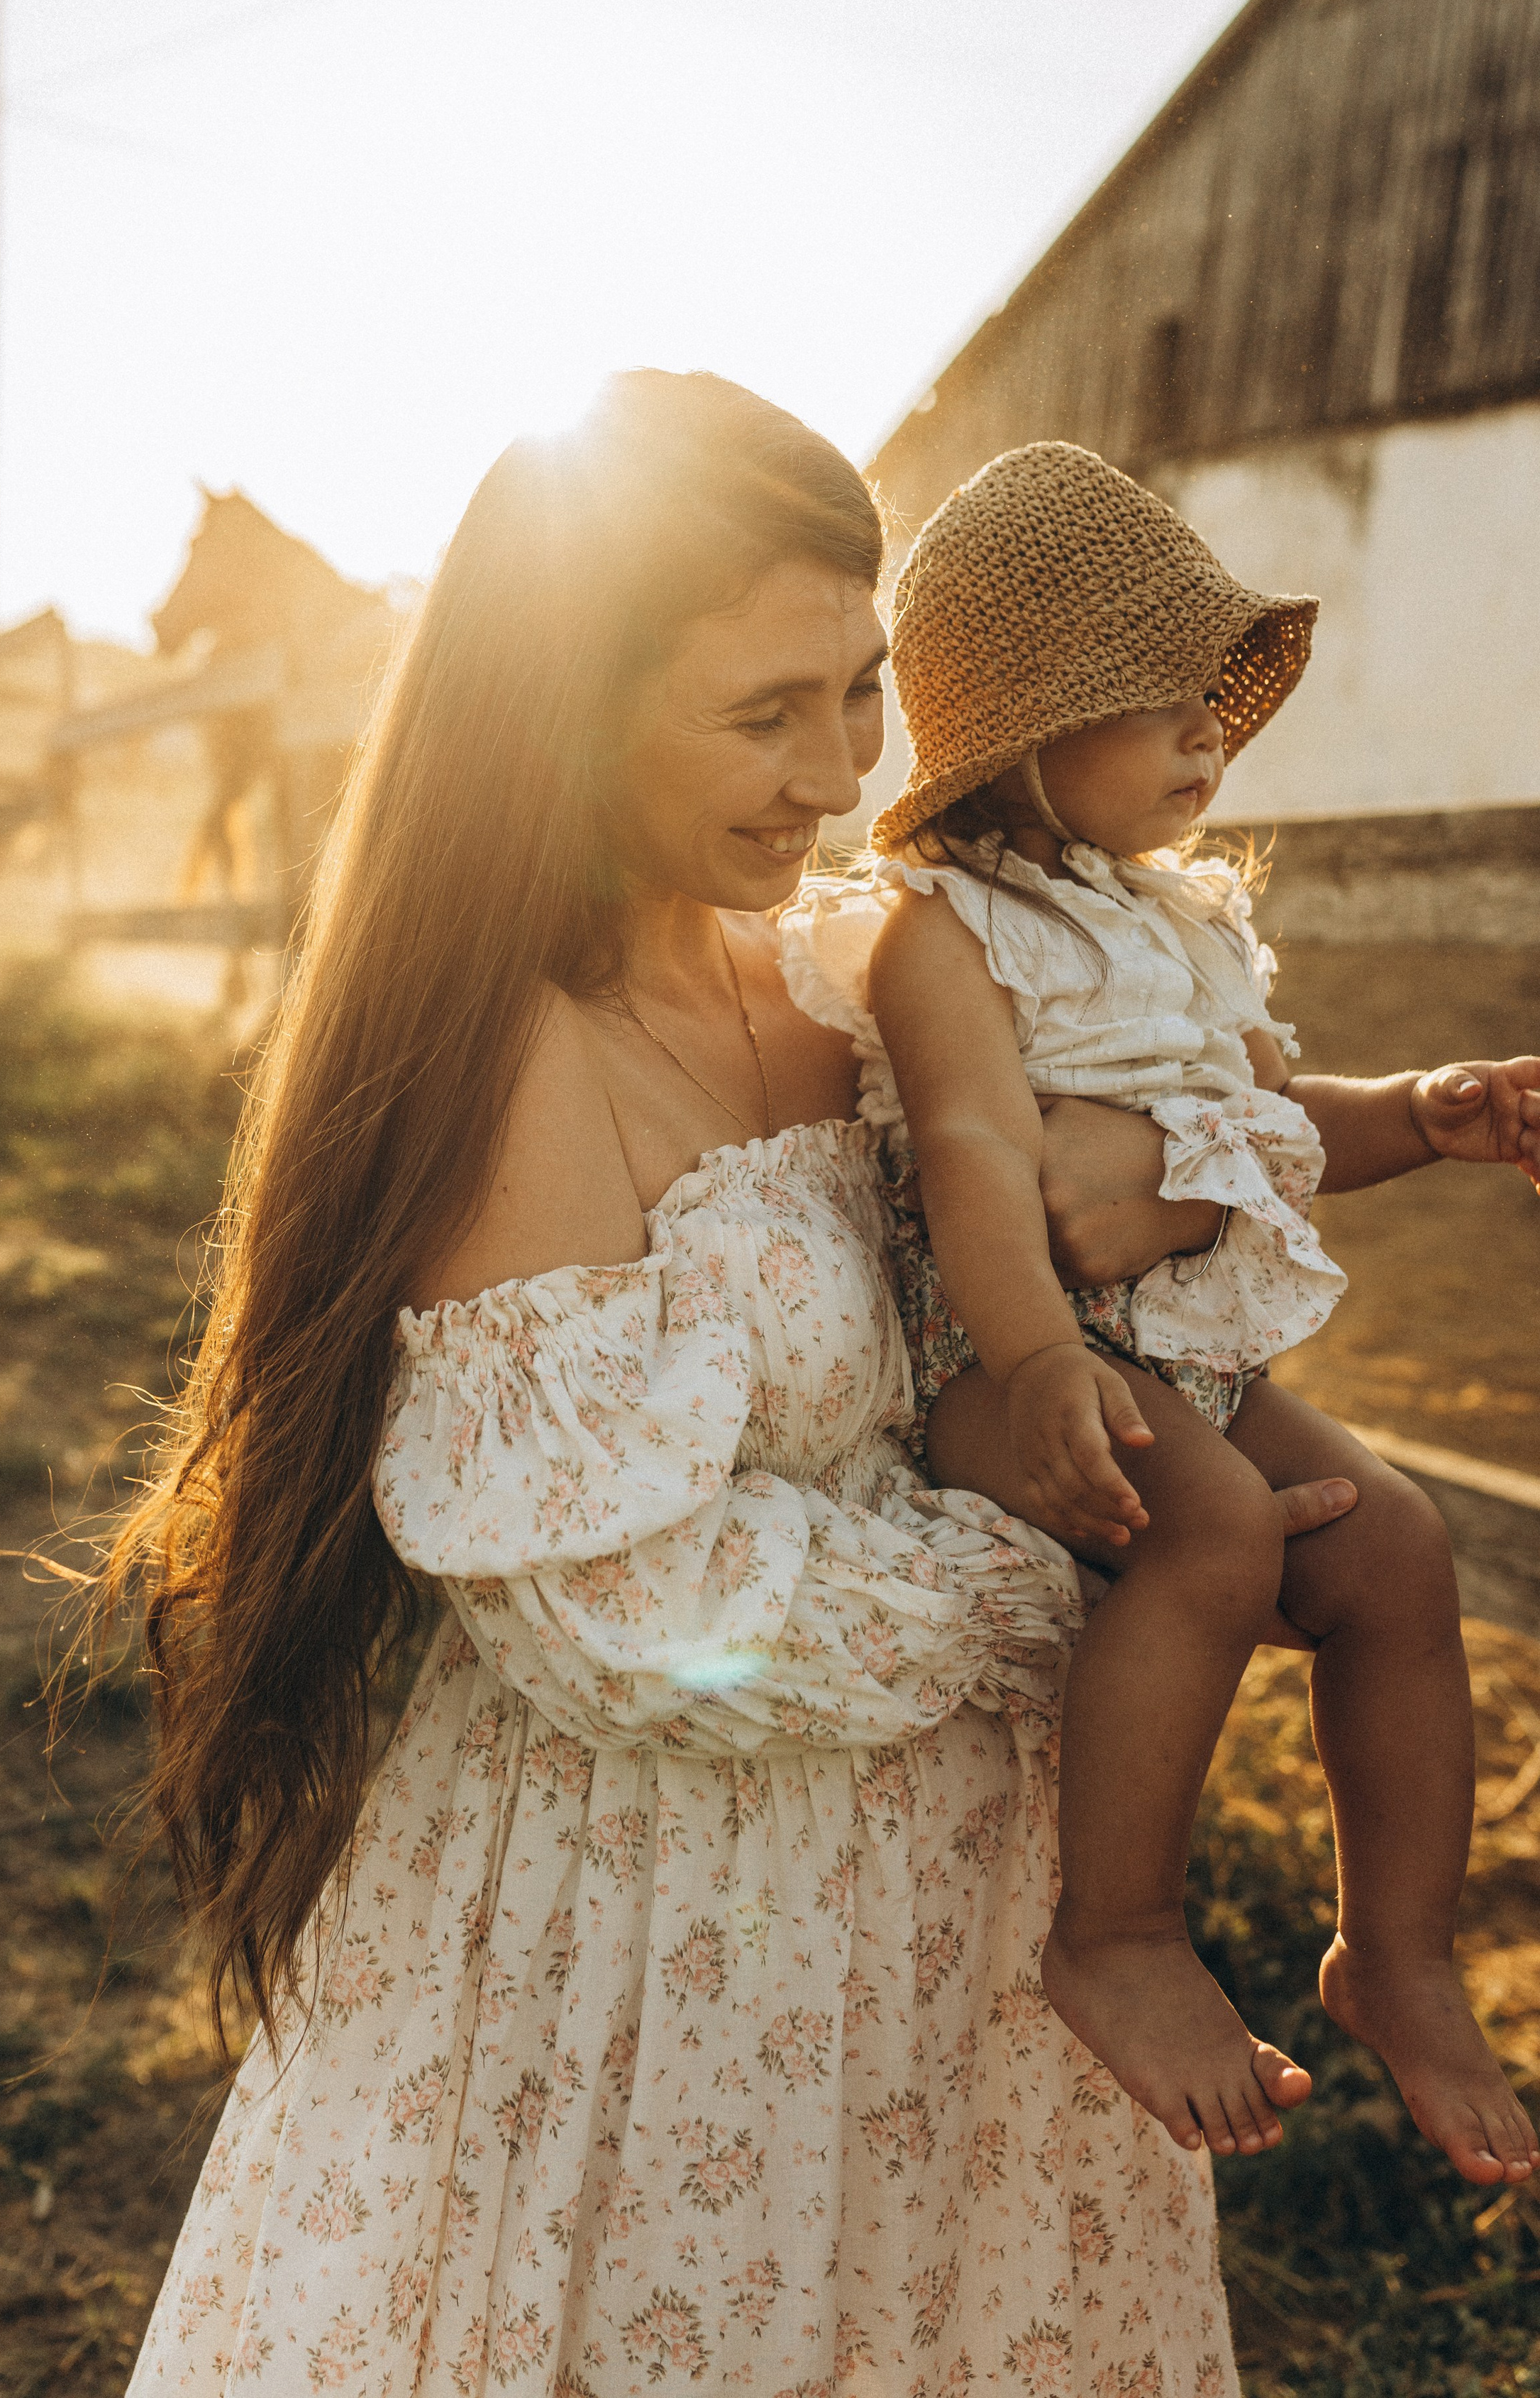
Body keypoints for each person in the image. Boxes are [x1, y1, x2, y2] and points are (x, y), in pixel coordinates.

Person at [117, 377, 1358, 2397]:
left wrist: (1170, 1192)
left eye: (859, 691)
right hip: (670, 1957)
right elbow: (630, 1616)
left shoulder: (849, 966)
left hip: (968, 1938)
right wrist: (1107, 1580)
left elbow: (1125, 1188)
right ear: (568, 713)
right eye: (760, 714)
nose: (839, 768)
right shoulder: (526, 1063)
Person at [782, 441, 1540, 2192]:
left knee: (1399, 1550)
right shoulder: (938, 931)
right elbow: (976, 1150)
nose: (1211, 738)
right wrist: (1042, 1353)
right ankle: (1114, 1925)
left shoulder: (1189, 926)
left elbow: (1276, 1122)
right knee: (1209, 1530)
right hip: (994, 1358)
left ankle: (1395, 1952)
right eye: (1160, 703)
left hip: (1182, 1351)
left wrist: (1416, 1113)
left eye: (1219, 700)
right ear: (1028, 723)